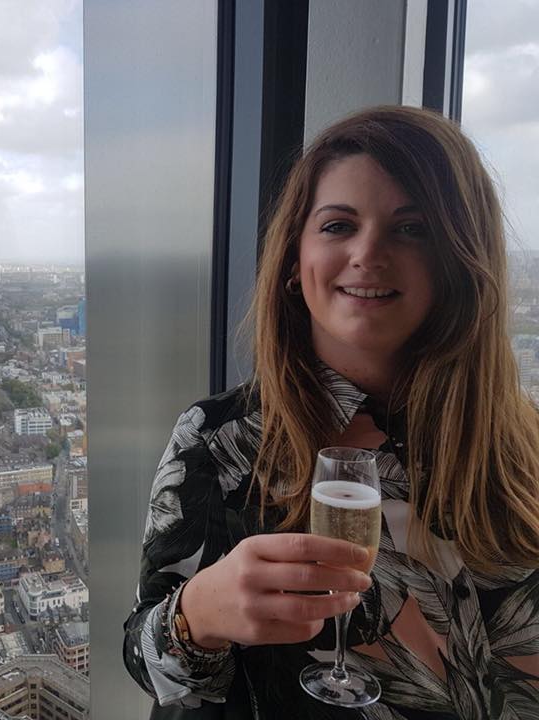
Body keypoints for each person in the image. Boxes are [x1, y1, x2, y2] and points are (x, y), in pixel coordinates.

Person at [123, 106, 539, 719]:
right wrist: (199, 614)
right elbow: (149, 660)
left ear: (460, 260)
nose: (368, 252)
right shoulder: (225, 441)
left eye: (413, 228)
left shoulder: (520, 440)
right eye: (339, 225)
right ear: (295, 261)